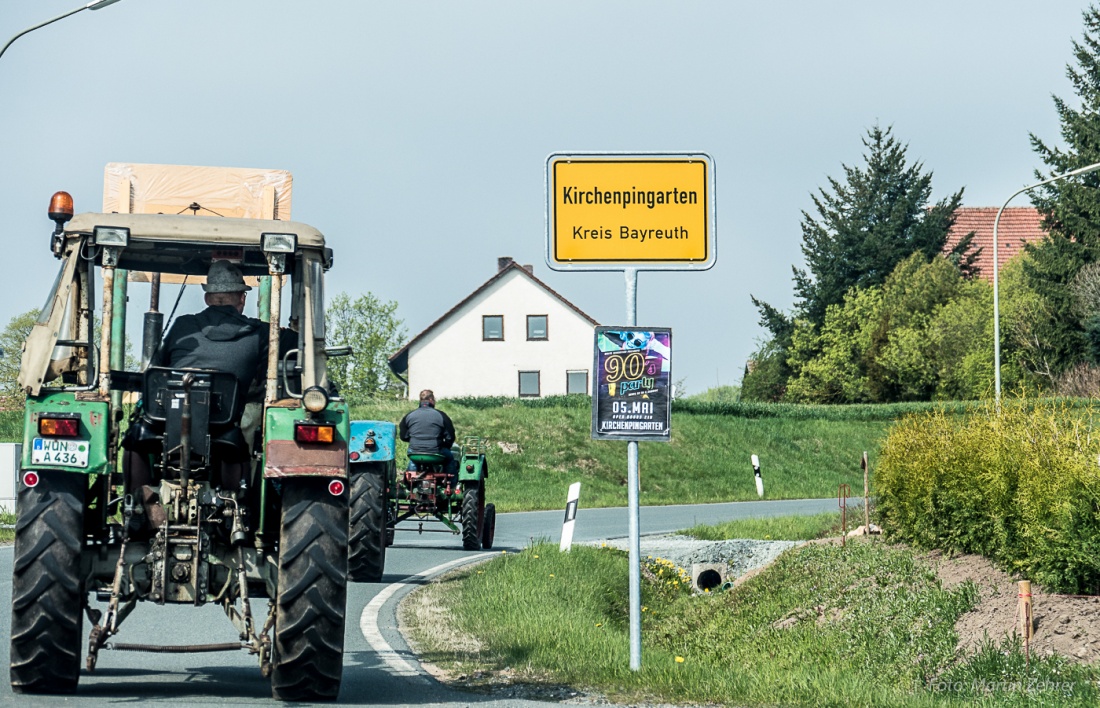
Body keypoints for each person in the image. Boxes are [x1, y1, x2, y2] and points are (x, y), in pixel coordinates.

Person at [122, 260, 268, 531]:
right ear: (242, 299)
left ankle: (142, 504)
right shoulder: (260, 333)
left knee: (135, 440)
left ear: (207, 297)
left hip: (168, 425)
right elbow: (293, 346)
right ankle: (236, 511)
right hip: (224, 429)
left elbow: (158, 369)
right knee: (240, 444)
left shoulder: (182, 326)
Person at [399, 389, 457, 478]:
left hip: (415, 452)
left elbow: (403, 436)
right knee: (450, 458)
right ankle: (451, 484)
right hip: (436, 451)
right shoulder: (441, 415)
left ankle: (410, 482)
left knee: (414, 459)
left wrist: (416, 441)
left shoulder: (409, 415)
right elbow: (450, 437)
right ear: (431, 400)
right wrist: (445, 445)